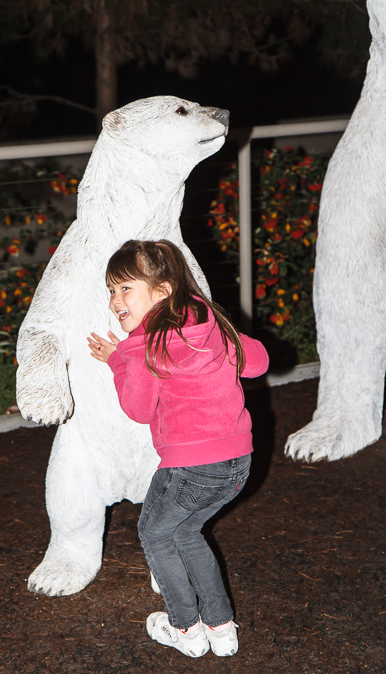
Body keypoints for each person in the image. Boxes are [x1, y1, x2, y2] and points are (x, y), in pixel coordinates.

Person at [88, 239, 269, 658]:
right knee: (186, 532)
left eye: (126, 288)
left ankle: (185, 629)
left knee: (154, 535)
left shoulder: (145, 345)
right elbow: (258, 362)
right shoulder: (210, 323)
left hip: (190, 466)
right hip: (237, 462)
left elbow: (138, 409)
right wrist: (226, 338)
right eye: (111, 290)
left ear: (163, 291)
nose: (115, 300)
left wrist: (119, 360)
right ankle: (221, 629)